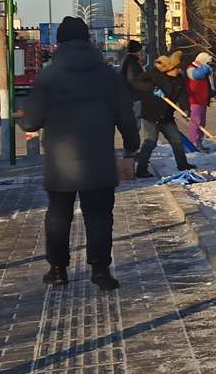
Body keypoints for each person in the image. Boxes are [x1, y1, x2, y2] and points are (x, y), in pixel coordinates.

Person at [19, 17, 139, 289]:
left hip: (61, 164)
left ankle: (58, 269)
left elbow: (31, 121)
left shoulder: (49, 74)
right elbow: (126, 115)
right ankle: (100, 271)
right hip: (99, 161)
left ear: (59, 41)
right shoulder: (107, 74)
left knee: (59, 215)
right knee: (98, 215)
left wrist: (22, 119)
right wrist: (132, 145)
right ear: (88, 40)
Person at [134, 49, 194, 177]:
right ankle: (141, 169)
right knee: (150, 142)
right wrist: (152, 88)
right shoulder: (156, 75)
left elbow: (182, 96)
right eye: (178, 68)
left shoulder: (179, 79)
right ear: (172, 68)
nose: (179, 71)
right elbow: (136, 82)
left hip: (166, 116)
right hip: (151, 114)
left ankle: (183, 165)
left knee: (177, 140)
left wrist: (186, 109)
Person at [185, 51, 215, 148]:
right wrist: (205, 67)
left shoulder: (204, 71)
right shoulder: (191, 68)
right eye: (207, 63)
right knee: (195, 122)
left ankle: (199, 142)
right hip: (194, 100)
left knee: (202, 122)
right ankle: (194, 142)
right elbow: (196, 75)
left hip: (202, 100)